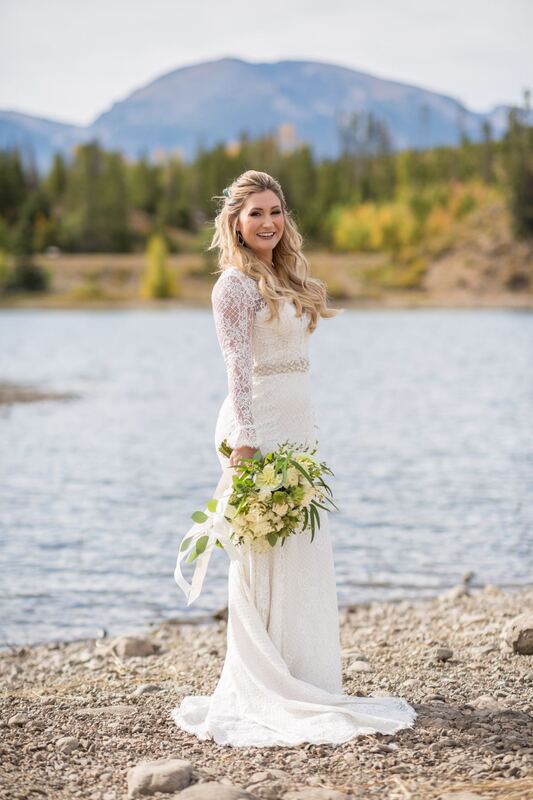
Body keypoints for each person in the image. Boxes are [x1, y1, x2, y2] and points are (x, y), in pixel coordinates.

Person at [170, 170, 417, 746]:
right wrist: (246, 442)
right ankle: (263, 677)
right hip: (259, 425)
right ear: (235, 221)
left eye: (276, 211)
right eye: (255, 213)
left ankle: (304, 672)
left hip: (298, 424)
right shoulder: (231, 286)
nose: (268, 222)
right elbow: (236, 366)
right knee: (261, 547)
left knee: (300, 543)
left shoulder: (287, 276)